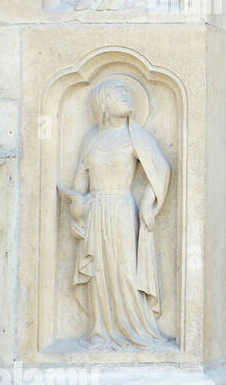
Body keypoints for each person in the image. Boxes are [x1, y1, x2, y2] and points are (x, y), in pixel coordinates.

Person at [59, 78, 174, 349]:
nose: (126, 96)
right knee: (99, 272)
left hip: (123, 208)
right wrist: (78, 213)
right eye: (117, 93)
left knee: (125, 271)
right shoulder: (92, 138)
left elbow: (161, 170)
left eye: (127, 93)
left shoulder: (135, 135)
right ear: (103, 103)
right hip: (96, 208)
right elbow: (80, 184)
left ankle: (136, 329)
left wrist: (148, 202)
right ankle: (101, 332)